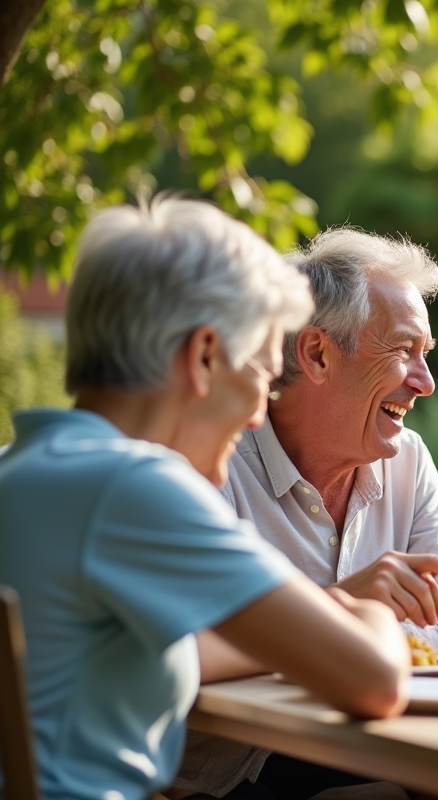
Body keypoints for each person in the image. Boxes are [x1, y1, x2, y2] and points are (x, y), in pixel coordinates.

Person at [0, 198, 411, 800]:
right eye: (261, 376)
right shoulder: (134, 487)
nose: (257, 417)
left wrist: (323, 610)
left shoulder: (22, 471)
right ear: (204, 356)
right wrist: (371, 614)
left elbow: (173, 652)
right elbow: (376, 682)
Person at [175, 228, 438, 800]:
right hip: (236, 770)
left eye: (426, 354)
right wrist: (343, 607)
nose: (426, 382)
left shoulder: (408, 459)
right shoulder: (214, 459)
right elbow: (188, 642)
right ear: (317, 354)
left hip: (387, 738)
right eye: (403, 351)